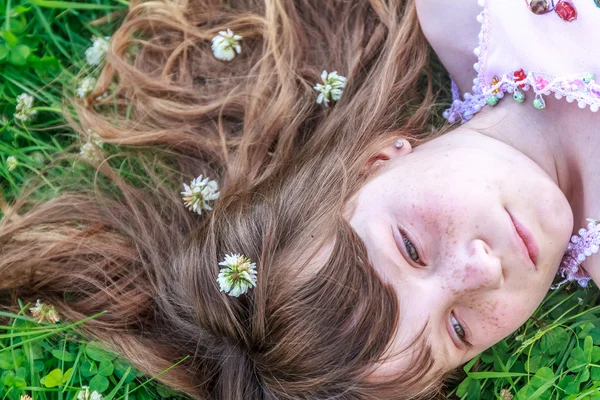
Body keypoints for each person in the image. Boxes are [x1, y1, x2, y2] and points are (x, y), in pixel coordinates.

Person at [0, 0, 598, 399]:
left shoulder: (460, 12)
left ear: (375, 161)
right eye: (460, 329)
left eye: (411, 248)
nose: (481, 270)